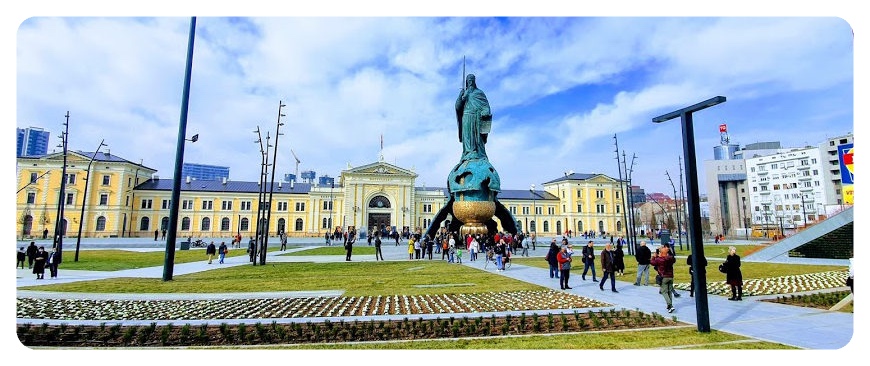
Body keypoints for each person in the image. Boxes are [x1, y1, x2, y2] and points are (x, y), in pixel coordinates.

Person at [650, 245, 676, 313]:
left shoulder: (659, 260)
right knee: (669, 291)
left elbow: (652, 263)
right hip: (670, 276)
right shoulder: (670, 258)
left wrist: (653, 257)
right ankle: (669, 305)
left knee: (663, 291)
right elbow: (673, 258)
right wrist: (667, 251)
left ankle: (670, 305)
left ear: (661, 253)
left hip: (664, 277)